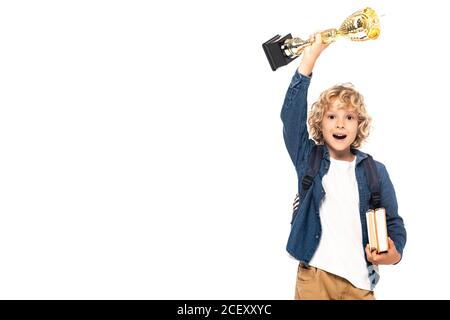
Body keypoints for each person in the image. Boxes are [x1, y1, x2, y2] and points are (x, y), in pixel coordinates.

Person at [280, 33, 407, 300]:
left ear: (358, 124)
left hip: (360, 284)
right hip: (315, 277)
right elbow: (291, 118)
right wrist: (310, 58)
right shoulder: (309, 159)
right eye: (332, 116)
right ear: (320, 122)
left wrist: (392, 255)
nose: (340, 124)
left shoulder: (375, 171)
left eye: (349, 117)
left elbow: (393, 223)